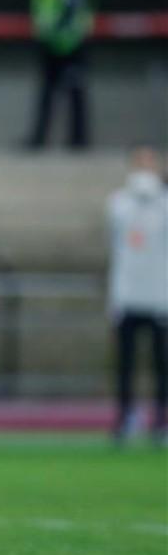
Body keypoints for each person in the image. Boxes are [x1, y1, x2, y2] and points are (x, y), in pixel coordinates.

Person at [108, 147, 168, 443]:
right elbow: (120, 249)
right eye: (140, 163)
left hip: (159, 298)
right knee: (126, 365)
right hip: (128, 295)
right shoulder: (119, 203)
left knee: (162, 365)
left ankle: (161, 420)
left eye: (150, 163)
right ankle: (125, 418)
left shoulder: (165, 204)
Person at [26, 0, 93, 149]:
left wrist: (72, 33)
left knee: (75, 92)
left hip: (73, 44)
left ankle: (79, 140)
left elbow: (83, 10)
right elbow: (38, 8)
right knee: (46, 93)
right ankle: (39, 139)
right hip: (49, 44)